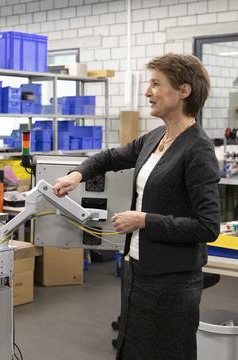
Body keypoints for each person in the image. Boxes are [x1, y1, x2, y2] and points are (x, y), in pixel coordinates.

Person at [53, 53, 219, 360]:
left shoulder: (198, 149)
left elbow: (207, 225)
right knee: (132, 348)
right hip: (137, 269)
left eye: (156, 84)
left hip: (172, 281)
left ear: (184, 91)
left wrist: (145, 220)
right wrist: (77, 175)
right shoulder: (156, 137)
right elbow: (111, 158)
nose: (147, 92)